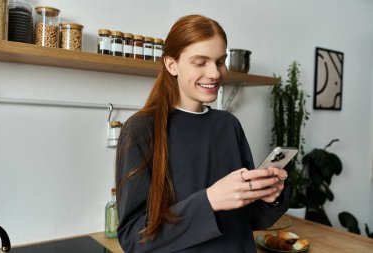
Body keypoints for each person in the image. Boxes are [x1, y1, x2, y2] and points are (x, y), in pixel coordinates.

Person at [115, 14, 289, 253]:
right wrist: (209, 201)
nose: (215, 73)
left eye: (219, 61)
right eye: (200, 62)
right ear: (171, 64)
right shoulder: (140, 130)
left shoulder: (229, 125)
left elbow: (248, 220)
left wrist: (271, 198)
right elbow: (133, 238)